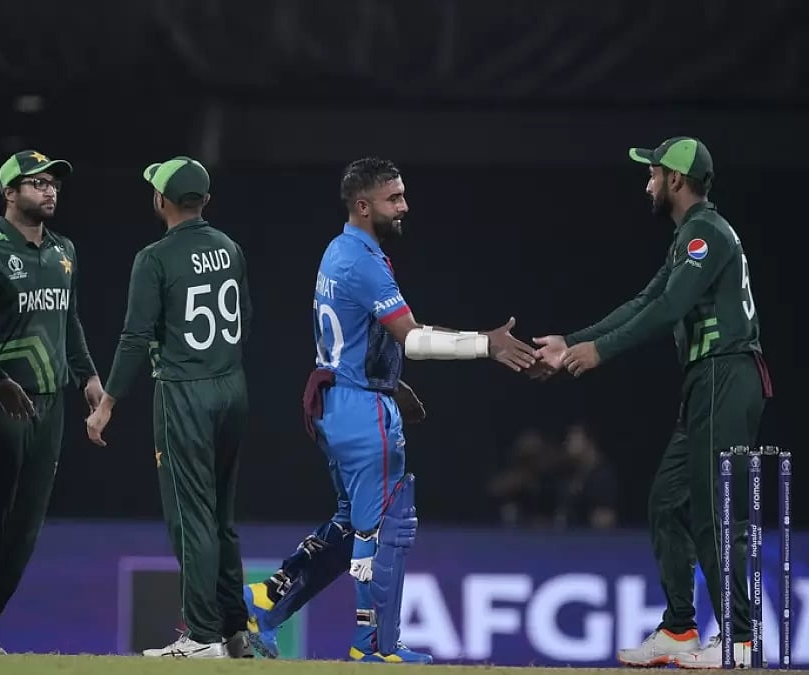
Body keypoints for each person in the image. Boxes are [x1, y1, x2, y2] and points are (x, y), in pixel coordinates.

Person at [242, 157, 537, 663]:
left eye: (402, 195)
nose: (404, 206)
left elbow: (369, 336)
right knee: (385, 528)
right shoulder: (361, 261)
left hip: (340, 402)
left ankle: (262, 605)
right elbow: (416, 340)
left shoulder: (343, 250)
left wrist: (388, 381)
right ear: (363, 205)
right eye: (393, 199)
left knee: (348, 524)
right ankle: (373, 648)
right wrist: (485, 345)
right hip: (361, 412)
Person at [534, 137, 771, 668]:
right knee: (666, 501)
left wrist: (600, 351)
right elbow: (647, 301)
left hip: (726, 376)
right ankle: (681, 631)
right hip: (706, 382)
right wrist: (573, 342)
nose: (648, 182)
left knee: (712, 512)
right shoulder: (689, 235)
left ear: (676, 181)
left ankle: (738, 641)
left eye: (654, 173)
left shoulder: (704, 233)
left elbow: (669, 310)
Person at [86, 156, 253, 659]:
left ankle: (202, 637)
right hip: (232, 386)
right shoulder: (229, 248)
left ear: (161, 200)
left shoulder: (153, 258)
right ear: (204, 200)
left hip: (185, 392)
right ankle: (233, 631)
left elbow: (135, 337)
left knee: (191, 518)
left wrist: (107, 404)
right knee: (221, 517)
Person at [0, 149, 102, 655]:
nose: (49, 190)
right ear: (10, 193)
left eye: (53, 183)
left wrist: (89, 378)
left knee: (27, 522)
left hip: (49, 403)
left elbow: (68, 321)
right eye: (36, 183)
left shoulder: (63, 251)